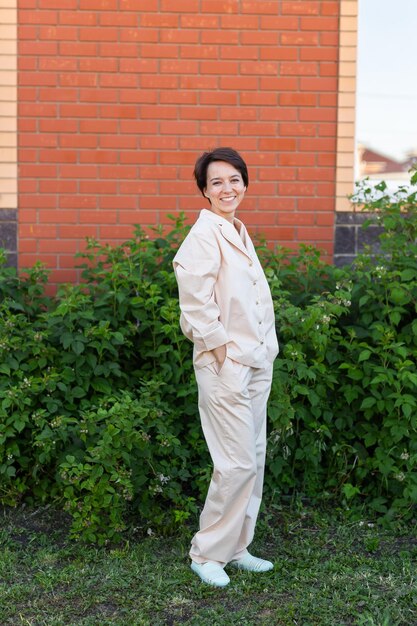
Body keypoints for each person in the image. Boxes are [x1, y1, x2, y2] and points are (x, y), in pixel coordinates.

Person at [173, 147, 279, 588]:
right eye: (216, 182)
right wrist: (219, 352)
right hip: (226, 365)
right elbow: (195, 303)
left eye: (234, 179)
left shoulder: (237, 230)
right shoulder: (203, 235)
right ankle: (207, 552)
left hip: (256, 360)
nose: (227, 188)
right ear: (204, 190)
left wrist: (262, 350)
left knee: (252, 457)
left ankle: (237, 547)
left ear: (245, 184)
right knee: (234, 463)